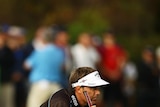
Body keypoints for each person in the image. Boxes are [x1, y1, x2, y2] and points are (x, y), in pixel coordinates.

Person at [24, 26, 65, 107]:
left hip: (40, 85)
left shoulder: (40, 51)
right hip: (56, 86)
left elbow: (27, 65)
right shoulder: (59, 52)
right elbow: (63, 67)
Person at [40, 67, 109, 107]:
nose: (98, 92)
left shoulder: (86, 103)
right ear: (78, 89)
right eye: (93, 88)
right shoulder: (61, 102)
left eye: (98, 88)